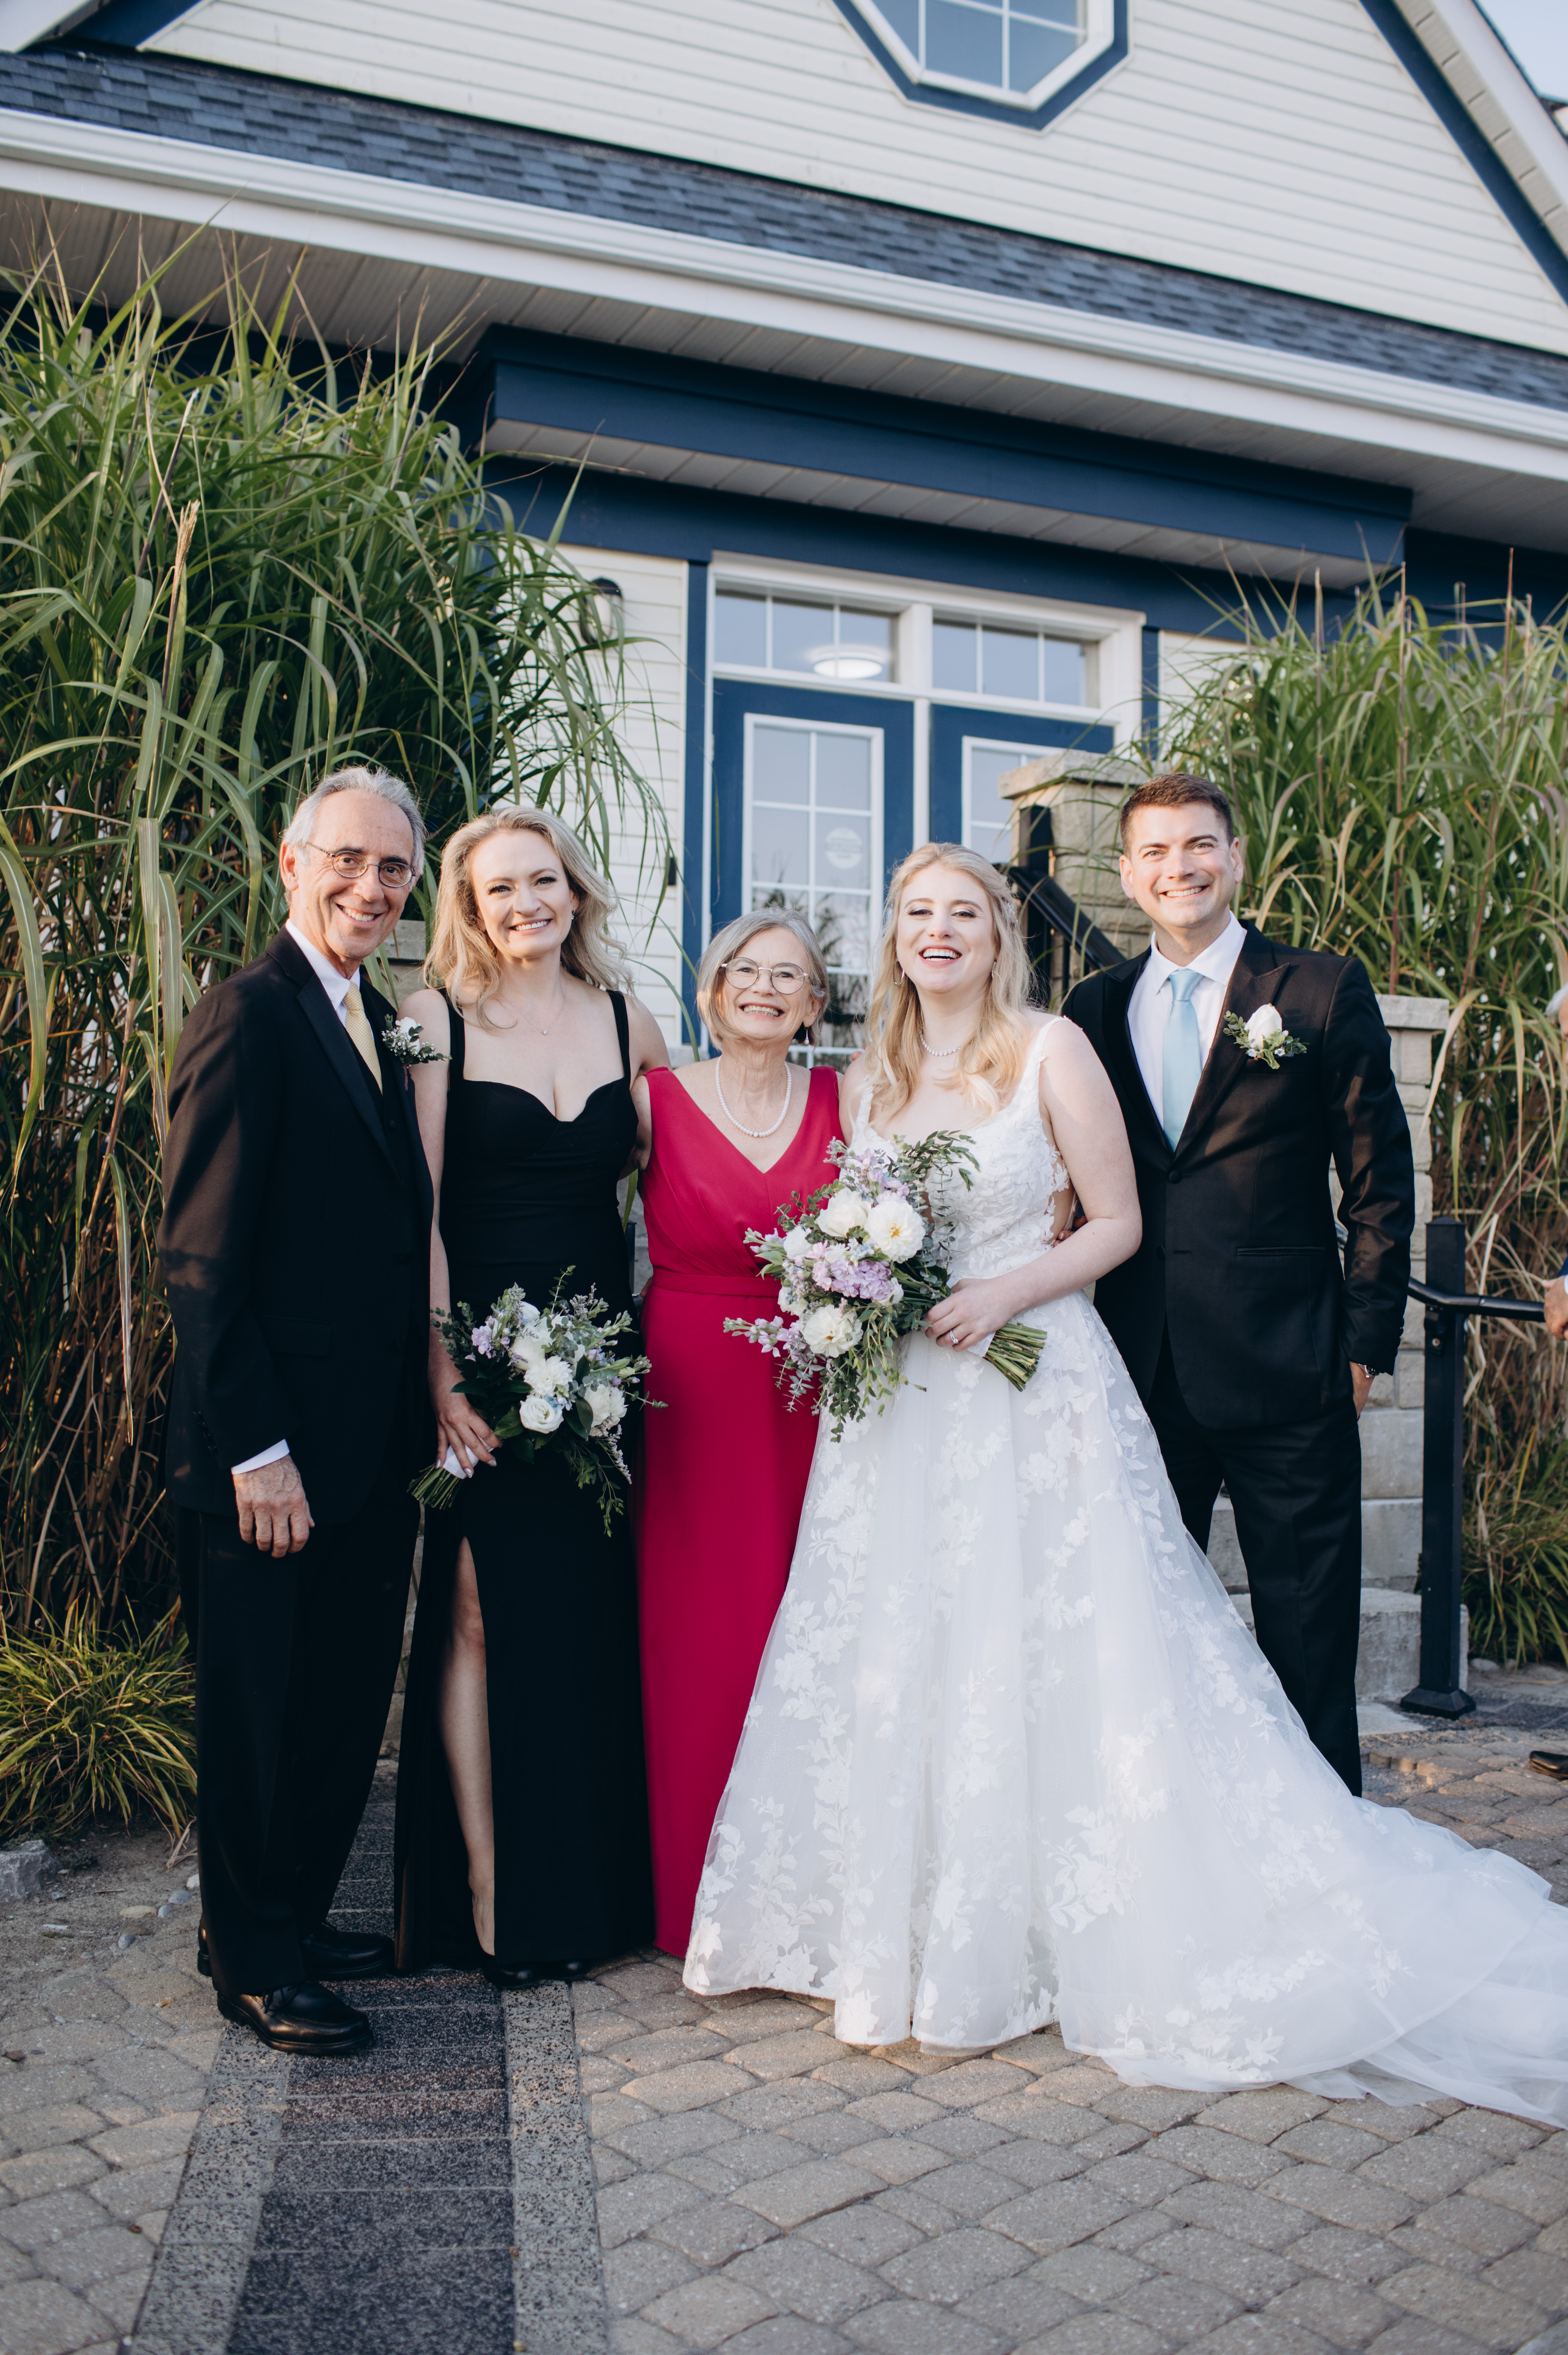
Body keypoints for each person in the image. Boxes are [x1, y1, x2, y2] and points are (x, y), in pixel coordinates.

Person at [686, 841, 1568, 2124]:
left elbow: (1115, 1222)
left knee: (1059, 1645)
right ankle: (909, 1919)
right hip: (900, 1410)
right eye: (916, 912)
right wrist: (850, 1286)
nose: (938, 930)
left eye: (963, 911)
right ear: (893, 935)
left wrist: (1000, 1292)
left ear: (1000, 933)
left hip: (1028, 1387)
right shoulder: (869, 1074)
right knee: (907, 1640)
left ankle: (1078, 1918)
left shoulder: (1051, 1047)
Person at [1064, 773, 1414, 1796]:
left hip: (1290, 1371)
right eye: (1156, 851)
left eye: (1198, 845)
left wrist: (1362, 1348)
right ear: (1127, 873)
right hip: (1141, 1374)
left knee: (1307, 1640)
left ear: (1236, 857)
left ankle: (1327, 1841)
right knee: (1146, 1635)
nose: (1178, 867)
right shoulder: (1092, 1008)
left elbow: (1379, 1184)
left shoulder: (1316, 989)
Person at [160, 763, 431, 2056]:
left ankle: (286, 1915)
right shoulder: (248, 1014)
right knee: (260, 1713)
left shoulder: (373, 1016)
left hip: (368, 1445)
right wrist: (255, 1450)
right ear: (291, 860)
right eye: (348, 860)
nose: (370, 887)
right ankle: (254, 1964)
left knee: (335, 1701)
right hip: (267, 1452)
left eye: (393, 868)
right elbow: (199, 1258)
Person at [392, 806, 666, 1984]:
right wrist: (442, 1372)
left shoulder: (629, 1019)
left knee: (584, 1615)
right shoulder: (432, 1019)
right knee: (474, 1610)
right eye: (498, 888)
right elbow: (417, 1210)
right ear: (468, 905)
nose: (525, 904)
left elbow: (670, 1187)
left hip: (601, 1366)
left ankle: (589, 1886)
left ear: (575, 891)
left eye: (542, 881)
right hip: (481, 1357)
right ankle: (490, 1885)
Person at [632, 911, 842, 1956]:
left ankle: (805, 1893)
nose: (763, 986)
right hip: (686, 1385)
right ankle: (689, 1892)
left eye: (787, 975)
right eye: (743, 970)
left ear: (815, 1003)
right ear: (712, 990)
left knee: (803, 1617)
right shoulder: (652, 1100)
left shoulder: (850, 1100)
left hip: (812, 1383)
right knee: (695, 1628)